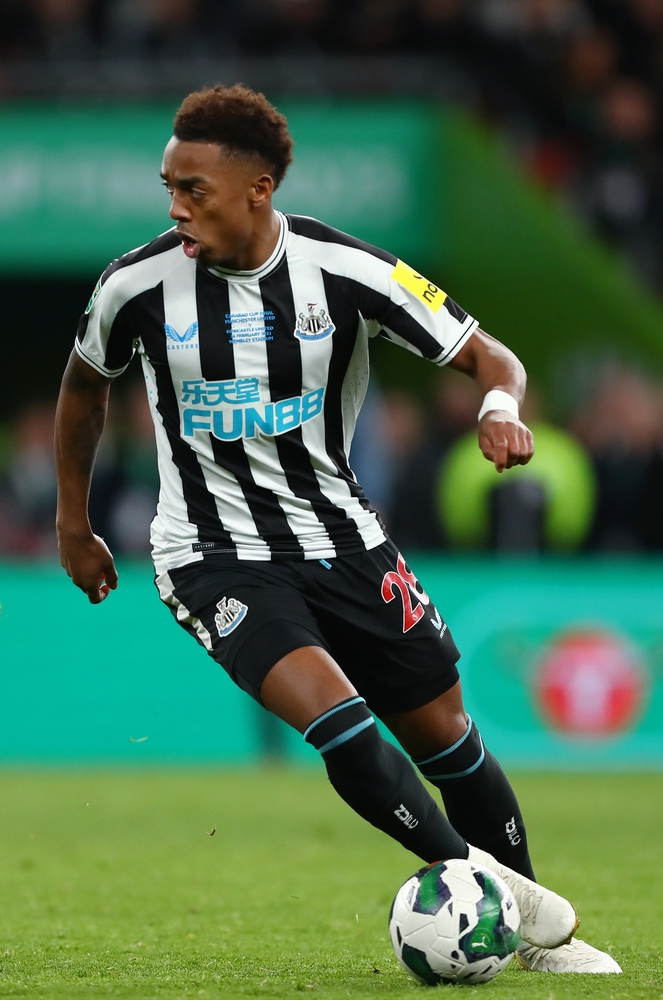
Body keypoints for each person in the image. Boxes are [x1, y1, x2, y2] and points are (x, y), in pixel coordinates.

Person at [55, 84, 620, 975]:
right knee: (344, 728)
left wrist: (499, 406)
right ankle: (512, 904)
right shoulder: (134, 284)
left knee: (446, 739)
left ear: (258, 188)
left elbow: (489, 356)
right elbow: (85, 387)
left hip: (345, 542)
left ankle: (523, 925)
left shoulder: (347, 270)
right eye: (169, 188)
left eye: (193, 189)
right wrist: (72, 521)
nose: (175, 208)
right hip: (212, 555)